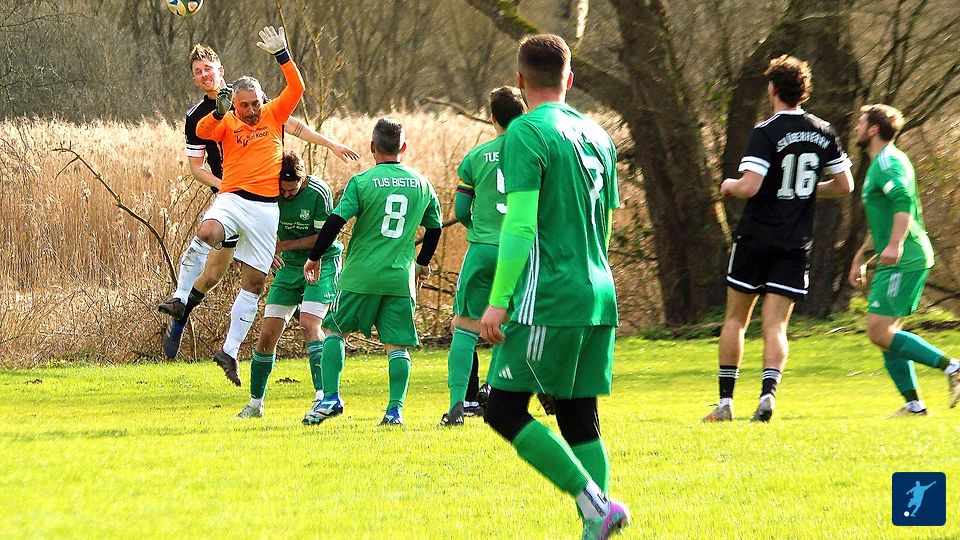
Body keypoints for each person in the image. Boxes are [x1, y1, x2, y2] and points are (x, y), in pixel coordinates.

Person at [477, 34, 629, 539]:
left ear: (520, 80)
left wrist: (499, 301)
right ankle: (597, 522)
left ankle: (596, 506)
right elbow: (605, 225)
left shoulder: (526, 131)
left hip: (550, 295)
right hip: (598, 290)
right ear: (570, 78)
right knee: (579, 413)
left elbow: (520, 225)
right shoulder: (599, 135)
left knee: (501, 408)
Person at [160, 42, 359, 360]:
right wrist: (226, 186)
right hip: (230, 199)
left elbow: (290, 124)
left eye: (208, 68)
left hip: (263, 201)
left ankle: (301, 317)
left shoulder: (248, 98)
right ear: (194, 79)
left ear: (221, 70)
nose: (204, 75)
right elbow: (197, 168)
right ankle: (181, 312)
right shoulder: (198, 116)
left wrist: (330, 144)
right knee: (212, 274)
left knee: (255, 274)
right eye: (198, 72)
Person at [703, 55, 854, 423]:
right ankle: (768, 396)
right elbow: (844, 185)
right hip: (795, 242)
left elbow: (750, 186)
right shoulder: (824, 131)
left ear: (772, 89)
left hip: (756, 237)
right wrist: (807, 189)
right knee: (776, 325)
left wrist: (729, 185)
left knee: (736, 319)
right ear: (804, 91)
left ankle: (725, 403)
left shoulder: (765, 131)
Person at [157, 26, 303, 386]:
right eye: (244, 106)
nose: (250, 111)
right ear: (234, 105)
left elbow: (296, 89)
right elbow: (203, 134)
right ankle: (180, 300)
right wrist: (220, 114)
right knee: (208, 233)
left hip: (265, 210)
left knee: (253, 283)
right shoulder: (222, 121)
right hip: (232, 198)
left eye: (254, 104)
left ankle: (229, 351)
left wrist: (282, 55)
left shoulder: (273, 113)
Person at [303, 117, 443, 426]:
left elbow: (335, 221)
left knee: (335, 331)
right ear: (403, 147)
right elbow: (435, 228)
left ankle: (330, 399)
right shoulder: (422, 184)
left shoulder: (362, 182)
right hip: (399, 279)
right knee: (397, 346)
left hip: (360, 276)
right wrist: (421, 264)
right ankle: (394, 411)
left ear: (372, 147)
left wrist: (314, 257)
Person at [848, 104, 960, 416]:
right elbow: (882, 224)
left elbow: (902, 201)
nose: (855, 128)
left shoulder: (887, 162)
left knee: (879, 330)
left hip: (905, 257)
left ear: (873, 130)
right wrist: (860, 258)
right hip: (902, 256)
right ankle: (914, 406)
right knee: (888, 335)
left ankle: (952, 367)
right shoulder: (882, 163)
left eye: (860, 123)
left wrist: (896, 244)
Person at [441, 86, 526, 426]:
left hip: (482, 249)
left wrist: (481, 229)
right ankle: (492, 386)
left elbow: (462, 210)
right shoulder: (535, 153)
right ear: (524, 115)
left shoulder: (476, 157)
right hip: (521, 251)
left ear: (493, 118)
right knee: (514, 322)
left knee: (464, 326)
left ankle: (456, 407)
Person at [235, 151, 342, 420]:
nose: (286, 195)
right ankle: (255, 404)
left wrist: (283, 245)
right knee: (267, 333)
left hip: (320, 261)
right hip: (289, 266)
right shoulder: (268, 188)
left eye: (291, 190)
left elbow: (324, 236)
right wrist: (267, 250)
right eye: (282, 190)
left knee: (309, 323)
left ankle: (323, 397)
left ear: (303, 180)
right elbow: (253, 225)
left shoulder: (318, 193)